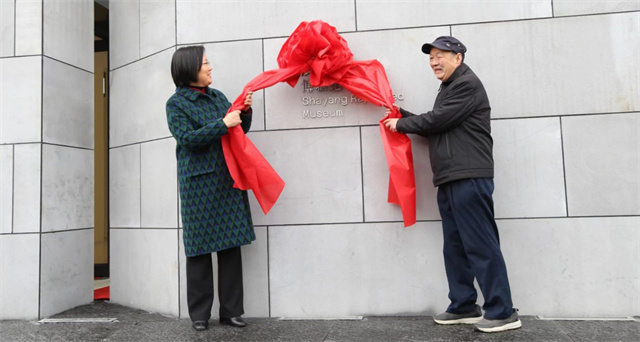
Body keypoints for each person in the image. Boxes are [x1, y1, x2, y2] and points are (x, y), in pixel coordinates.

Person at [383, 36, 521, 333]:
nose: (434, 61)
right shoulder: (449, 88)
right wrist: (401, 116)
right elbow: (437, 123)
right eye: (431, 56)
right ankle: (463, 305)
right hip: (450, 178)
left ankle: (502, 311)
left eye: (440, 55)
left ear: (458, 57)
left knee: (481, 244)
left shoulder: (466, 84)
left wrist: (402, 125)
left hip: (469, 176)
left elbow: (439, 120)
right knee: (455, 246)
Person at [166, 46, 254, 332]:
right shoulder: (176, 104)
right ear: (191, 68)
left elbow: (237, 129)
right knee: (198, 251)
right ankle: (200, 315)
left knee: (230, 247)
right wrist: (222, 123)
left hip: (227, 181)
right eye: (205, 63)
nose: (210, 67)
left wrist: (244, 112)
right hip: (198, 187)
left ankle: (231, 312)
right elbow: (187, 138)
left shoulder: (218, 97)